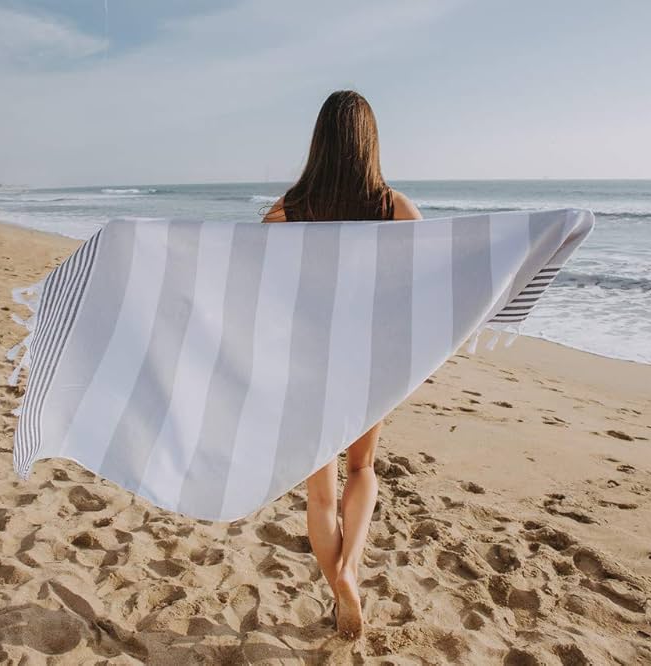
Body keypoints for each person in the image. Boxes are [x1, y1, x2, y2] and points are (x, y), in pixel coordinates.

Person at [261, 90, 421, 638]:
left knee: (320, 490)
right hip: (370, 359)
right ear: (369, 143)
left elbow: (257, 286)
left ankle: (338, 587)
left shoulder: (287, 211)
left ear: (320, 142)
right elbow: (426, 284)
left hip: (308, 361)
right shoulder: (394, 208)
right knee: (362, 469)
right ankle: (351, 570)